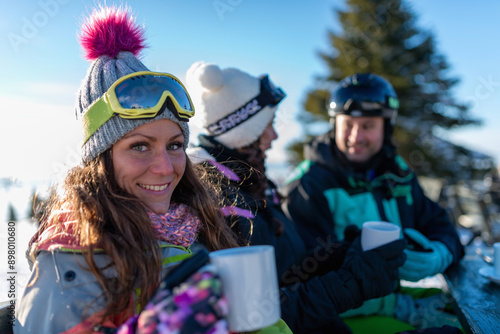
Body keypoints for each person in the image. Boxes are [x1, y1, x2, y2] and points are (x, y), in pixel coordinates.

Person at [14, 7, 241, 334]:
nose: (165, 168)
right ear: (100, 158)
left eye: (175, 145)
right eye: (139, 146)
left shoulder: (199, 226)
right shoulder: (69, 269)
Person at [185, 61, 408, 334]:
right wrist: (350, 283)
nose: (275, 135)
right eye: (267, 125)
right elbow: (258, 316)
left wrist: (341, 255)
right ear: (242, 132)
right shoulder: (217, 201)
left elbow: (286, 270)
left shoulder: (249, 183)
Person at [284, 73, 465, 332]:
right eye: (347, 125)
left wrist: (440, 253)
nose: (356, 137)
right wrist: (395, 305)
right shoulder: (309, 185)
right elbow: (303, 277)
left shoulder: (396, 174)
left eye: (368, 125)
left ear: (386, 127)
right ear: (334, 124)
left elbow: (439, 223)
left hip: (396, 302)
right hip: (339, 321)